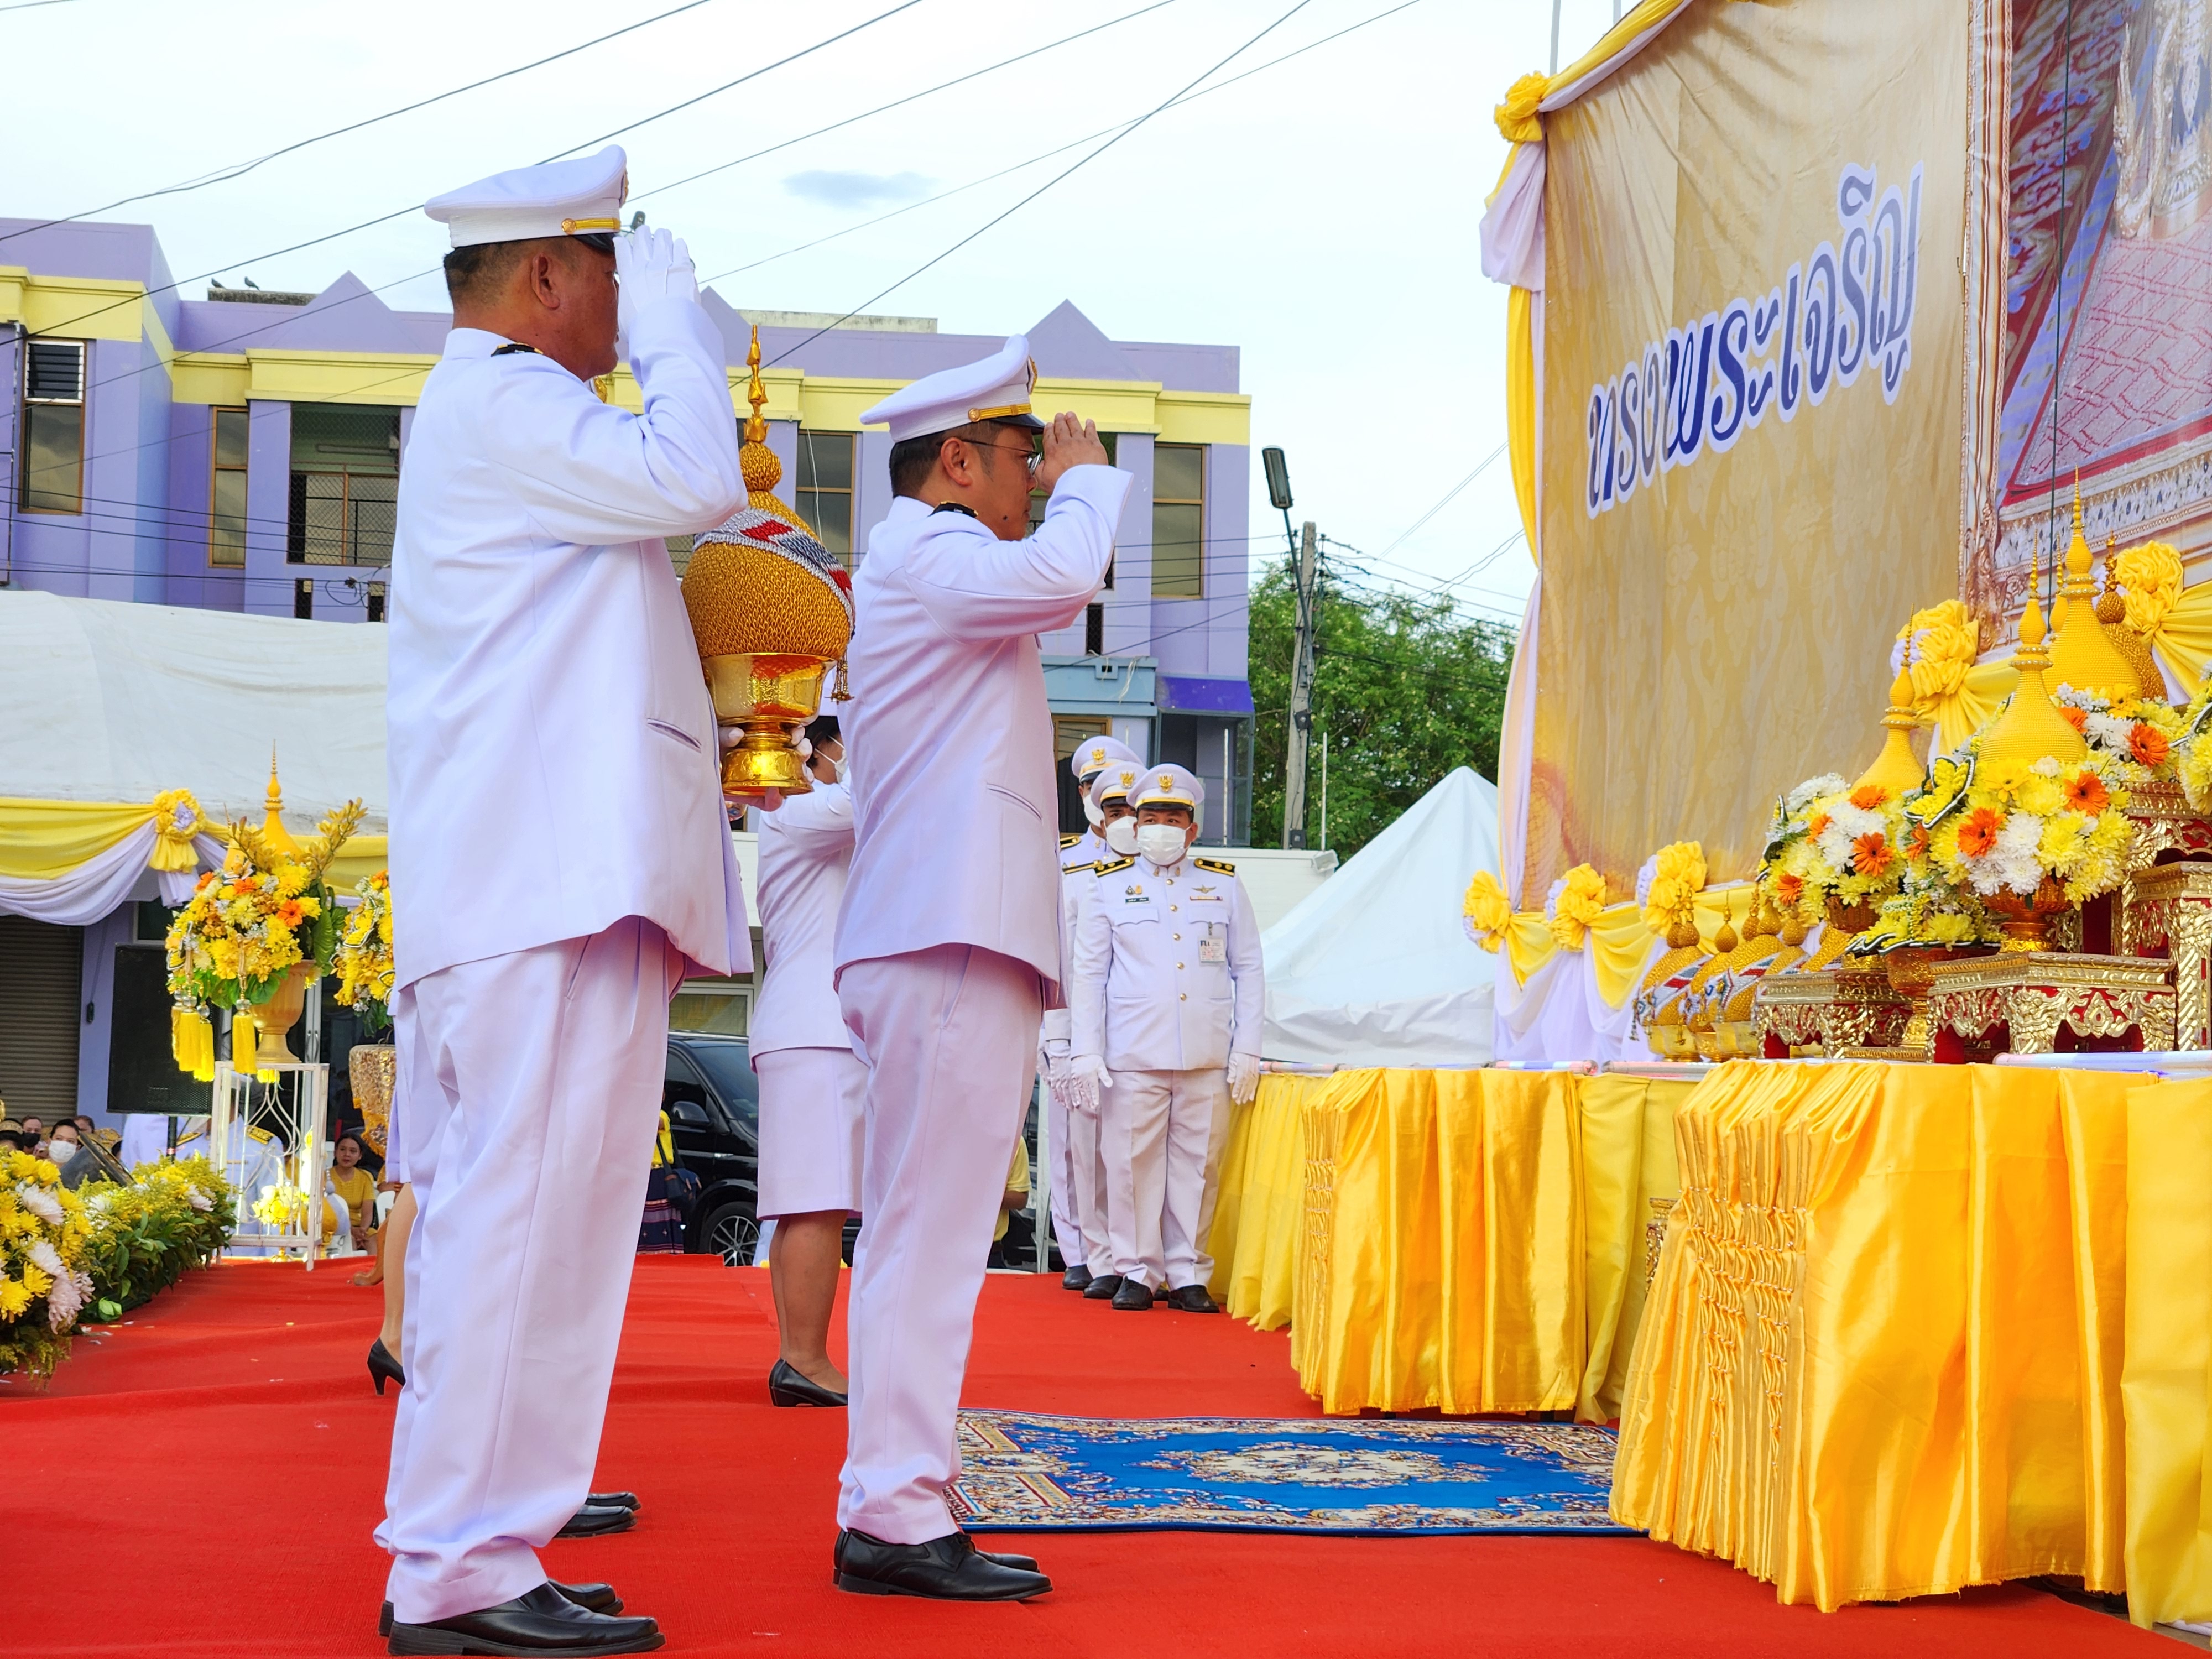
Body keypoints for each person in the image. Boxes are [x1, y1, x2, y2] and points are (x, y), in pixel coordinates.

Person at [376, 144, 749, 1658]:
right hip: (535, 887)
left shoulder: (510, 416)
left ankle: (488, 1542)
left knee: (550, 1230)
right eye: (612, 268)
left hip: (553, 881)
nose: (623, 297)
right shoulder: (508, 399)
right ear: (548, 275)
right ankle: (453, 1563)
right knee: (518, 1224)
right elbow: (699, 473)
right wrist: (674, 329)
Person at [831, 337, 1129, 1601]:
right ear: (956, 461)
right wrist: (1091, 476)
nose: (1034, 477)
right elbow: (1065, 573)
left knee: (933, 1230)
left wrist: (1061, 486)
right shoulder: (928, 550)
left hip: (943, 930)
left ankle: (895, 1498)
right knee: (928, 1233)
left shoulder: (930, 562)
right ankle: (894, 1510)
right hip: (944, 933)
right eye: (1019, 455)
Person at [1068, 763, 1264, 1313]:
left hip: (1205, 1053)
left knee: (1198, 1167)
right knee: (1130, 1166)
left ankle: (1187, 1272)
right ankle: (1136, 1269)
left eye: (1172, 819)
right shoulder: (1107, 885)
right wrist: (1085, 1051)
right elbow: (1089, 974)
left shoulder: (1222, 883)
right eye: (1150, 818)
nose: (1160, 828)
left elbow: (1248, 968)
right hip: (1132, 1053)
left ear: (1192, 829)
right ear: (1135, 824)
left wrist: (1247, 1047)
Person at [749, 713, 862, 1408]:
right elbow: (877, 792)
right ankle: (806, 1358)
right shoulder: (796, 807)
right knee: (817, 1203)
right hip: (816, 1027)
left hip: (813, 1027)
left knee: (808, 1205)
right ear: (816, 750)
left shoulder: (812, 812)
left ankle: (801, 1356)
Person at [1041, 739, 1139, 1288]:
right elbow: (1053, 951)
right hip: (1073, 1024)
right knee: (1069, 1144)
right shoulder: (1064, 862)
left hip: (1133, 1026)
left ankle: (1129, 1256)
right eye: (1090, 785)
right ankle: (1079, 1249)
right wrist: (1053, 1034)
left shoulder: (1155, 858)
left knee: (1127, 1148)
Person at [328, 1133, 377, 1254]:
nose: (347, 1154)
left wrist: (362, 1230)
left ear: (360, 1156)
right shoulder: (325, 1177)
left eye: (353, 1151)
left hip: (360, 1229)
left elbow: (368, 1213)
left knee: (374, 1240)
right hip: (334, 1228)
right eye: (343, 1150)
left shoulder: (365, 1177)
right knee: (349, 1241)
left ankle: (376, 1267)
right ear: (335, 1153)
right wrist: (351, 1230)